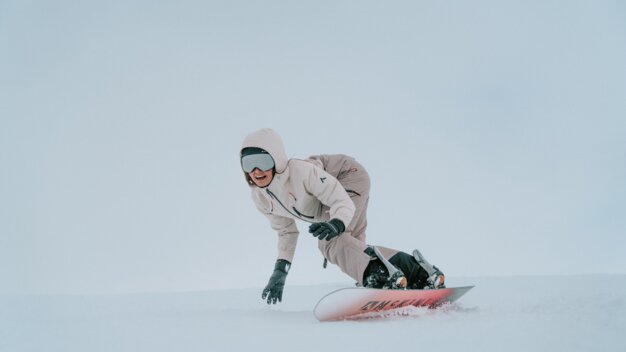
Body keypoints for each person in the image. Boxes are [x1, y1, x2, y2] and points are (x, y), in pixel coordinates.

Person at [240, 128, 445, 305]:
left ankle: (381, 277)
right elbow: (286, 232)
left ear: (276, 159)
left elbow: (340, 200)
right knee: (355, 248)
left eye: (262, 161)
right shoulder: (262, 198)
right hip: (331, 202)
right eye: (248, 164)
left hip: (348, 175)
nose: (256, 171)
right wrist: (280, 270)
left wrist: (336, 223)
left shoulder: (300, 172)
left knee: (330, 243)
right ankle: (420, 274)